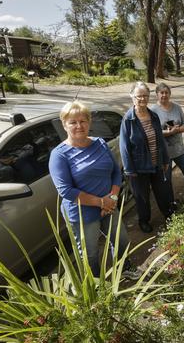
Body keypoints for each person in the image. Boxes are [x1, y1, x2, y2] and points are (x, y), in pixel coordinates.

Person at [49, 101, 139, 279]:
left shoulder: (99, 143)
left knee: (121, 240)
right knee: (90, 254)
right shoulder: (59, 155)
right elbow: (66, 190)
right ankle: (96, 284)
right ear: (64, 124)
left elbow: (115, 171)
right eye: (73, 122)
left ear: (89, 122)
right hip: (82, 214)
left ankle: (123, 269)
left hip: (109, 206)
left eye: (83, 121)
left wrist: (112, 197)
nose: (79, 126)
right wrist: (101, 202)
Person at [120, 81, 172, 234]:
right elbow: (124, 147)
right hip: (138, 168)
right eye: (138, 96)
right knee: (142, 198)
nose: (142, 99)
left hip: (156, 164)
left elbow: (160, 140)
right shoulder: (128, 120)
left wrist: (165, 160)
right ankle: (144, 220)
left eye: (145, 96)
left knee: (162, 192)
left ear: (149, 96)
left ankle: (168, 214)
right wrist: (129, 170)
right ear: (132, 97)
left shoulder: (153, 116)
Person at [150, 82, 184, 197]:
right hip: (163, 153)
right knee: (166, 181)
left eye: (166, 93)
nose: (164, 95)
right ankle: (171, 204)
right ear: (157, 94)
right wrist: (167, 132)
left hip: (179, 149)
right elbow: (152, 133)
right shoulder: (153, 111)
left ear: (170, 94)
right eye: (161, 93)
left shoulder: (176, 107)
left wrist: (178, 129)